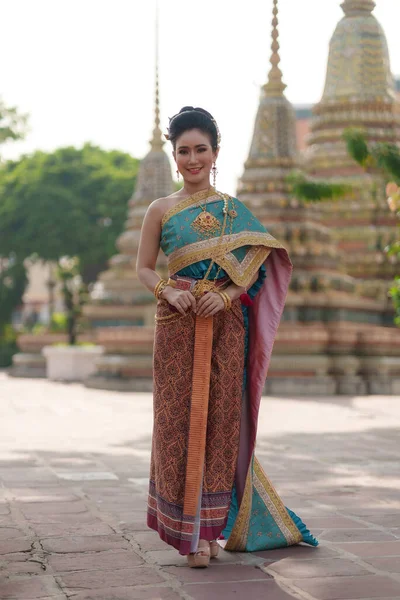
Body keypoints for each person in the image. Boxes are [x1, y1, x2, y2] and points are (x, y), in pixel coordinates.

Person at [136, 106, 318, 568]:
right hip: (176, 326)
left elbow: (265, 258)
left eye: (200, 150)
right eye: (183, 151)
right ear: (174, 156)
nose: (192, 159)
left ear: (215, 153)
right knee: (175, 425)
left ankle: (210, 531)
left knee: (221, 422)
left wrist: (231, 294)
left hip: (224, 326)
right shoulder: (160, 210)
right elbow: (141, 267)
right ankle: (186, 530)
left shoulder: (233, 211)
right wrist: (166, 291)